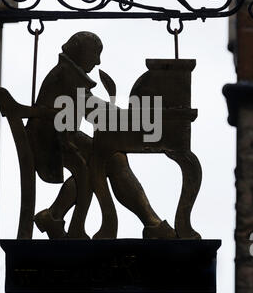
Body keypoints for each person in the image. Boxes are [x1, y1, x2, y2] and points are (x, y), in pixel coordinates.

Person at [27, 31, 176, 239]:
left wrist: (125, 116)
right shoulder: (66, 74)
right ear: (81, 51)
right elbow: (91, 108)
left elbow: (90, 107)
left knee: (113, 159)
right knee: (113, 161)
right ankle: (151, 223)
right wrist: (129, 117)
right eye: (95, 54)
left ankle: (53, 216)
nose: (98, 62)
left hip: (62, 136)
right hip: (52, 140)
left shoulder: (68, 72)